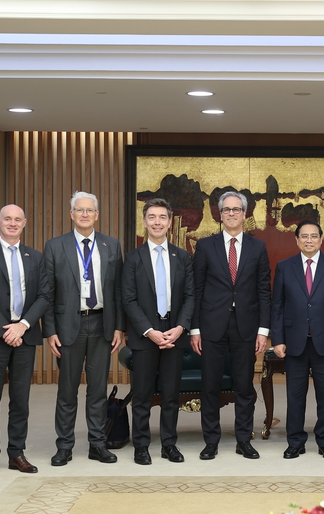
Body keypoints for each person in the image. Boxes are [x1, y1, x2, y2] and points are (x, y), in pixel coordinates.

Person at [43, 191, 126, 466]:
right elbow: (47, 292)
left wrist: (119, 327)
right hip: (69, 326)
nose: (85, 214)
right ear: (71, 214)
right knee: (67, 390)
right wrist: (50, 330)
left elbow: (118, 290)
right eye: (79, 210)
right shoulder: (55, 246)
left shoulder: (111, 245)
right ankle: (64, 446)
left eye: (90, 210)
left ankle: (97, 444)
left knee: (98, 389)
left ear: (97, 215)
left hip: (102, 324)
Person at [0, 204, 49, 477]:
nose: (12, 223)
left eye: (17, 219)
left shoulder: (35, 257)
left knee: (20, 399)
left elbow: (44, 296)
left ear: (24, 223)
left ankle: (16, 453)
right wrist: (6, 330)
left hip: (25, 335)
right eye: (7, 219)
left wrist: (22, 326)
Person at [190, 191, 271, 460]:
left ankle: (243, 440)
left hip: (246, 326)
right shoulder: (205, 246)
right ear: (220, 214)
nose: (232, 213)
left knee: (244, 386)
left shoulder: (258, 247)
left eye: (237, 209)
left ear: (245, 214)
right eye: (227, 210)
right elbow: (196, 289)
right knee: (210, 385)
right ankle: (211, 441)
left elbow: (264, 291)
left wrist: (263, 330)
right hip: (211, 325)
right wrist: (195, 329)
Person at [122, 198, 194, 465]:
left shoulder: (182, 256)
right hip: (145, 336)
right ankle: (141, 446)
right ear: (144, 221)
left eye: (162, 217)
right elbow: (128, 300)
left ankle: (169, 444)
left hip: (174, 333)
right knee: (142, 395)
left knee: (170, 395)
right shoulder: (133, 258)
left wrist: (180, 327)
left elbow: (190, 296)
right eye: (152, 217)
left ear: (170, 222)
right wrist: (149, 331)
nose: (157, 222)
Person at [271, 220, 324, 460]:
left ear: (321, 239)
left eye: (314, 236)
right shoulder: (285, 267)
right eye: (304, 236)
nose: (309, 240)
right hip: (294, 341)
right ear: (296, 240)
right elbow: (277, 306)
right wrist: (278, 339)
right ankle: (295, 441)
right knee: (294, 396)